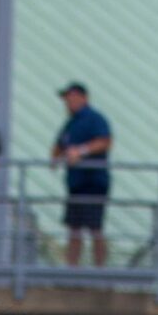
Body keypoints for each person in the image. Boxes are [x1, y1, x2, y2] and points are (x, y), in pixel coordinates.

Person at [50, 81, 112, 267]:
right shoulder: (70, 123)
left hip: (93, 182)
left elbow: (104, 141)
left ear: (83, 98)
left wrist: (81, 151)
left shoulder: (95, 118)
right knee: (74, 229)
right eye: (67, 98)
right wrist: (59, 156)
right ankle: (72, 270)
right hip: (75, 183)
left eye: (73, 97)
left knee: (95, 228)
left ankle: (100, 271)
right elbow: (58, 147)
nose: (69, 102)